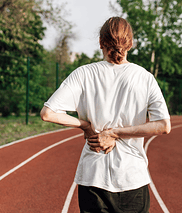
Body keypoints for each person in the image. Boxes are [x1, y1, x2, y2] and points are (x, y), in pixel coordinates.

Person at [40, 17, 171, 213]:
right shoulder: (145, 78)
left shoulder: (83, 74)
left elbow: (48, 113)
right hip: (132, 178)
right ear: (131, 44)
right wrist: (115, 133)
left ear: (100, 42)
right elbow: (163, 126)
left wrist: (85, 125)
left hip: (94, 177)